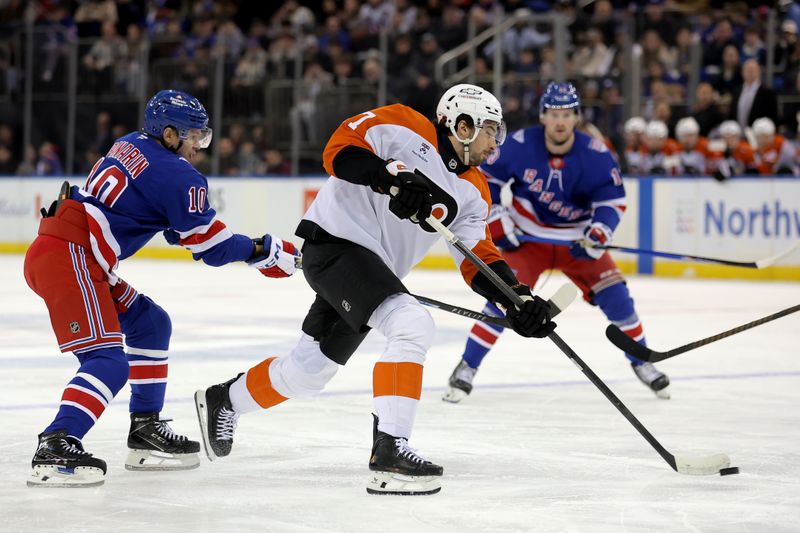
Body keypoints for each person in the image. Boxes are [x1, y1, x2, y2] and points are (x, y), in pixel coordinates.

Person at [194, 84, 556, 496]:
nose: (496, 143)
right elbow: (339, 149)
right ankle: (390, 451)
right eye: (492, 130)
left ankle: (226, 399)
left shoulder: (475, 190)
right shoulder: (403, 123)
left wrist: (517, 299)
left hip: (371, 271)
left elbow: (478, 256)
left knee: (308, 372)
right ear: (463, 124)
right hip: (335, 243)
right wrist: (387, 178)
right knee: (411, 322)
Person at [23, 89, 301, 487]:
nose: (197, 146)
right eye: (193, 136)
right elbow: (210, 246)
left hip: (68, 250)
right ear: (169, 134)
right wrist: (262, 250)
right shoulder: (178, 173)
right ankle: (57, 442)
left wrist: (251, 249)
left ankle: (145, 429)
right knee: (108, 363)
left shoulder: (130, 143)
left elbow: (173, 227)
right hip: (73, 258)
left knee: (150, 323)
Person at [443, 82, 671, 405]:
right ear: (543, 116)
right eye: (553, 114)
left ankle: (641, 361)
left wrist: (598, 234)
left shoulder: (596, 154)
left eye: (566, 114)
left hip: (576, 241)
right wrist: (496, 218)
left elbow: (612, 200)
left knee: (618, 298)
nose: (560, 121)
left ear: (576, 117)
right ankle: (467, 365)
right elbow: (486, 178)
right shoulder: (520, 144)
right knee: (503, 297)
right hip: (527, 239)